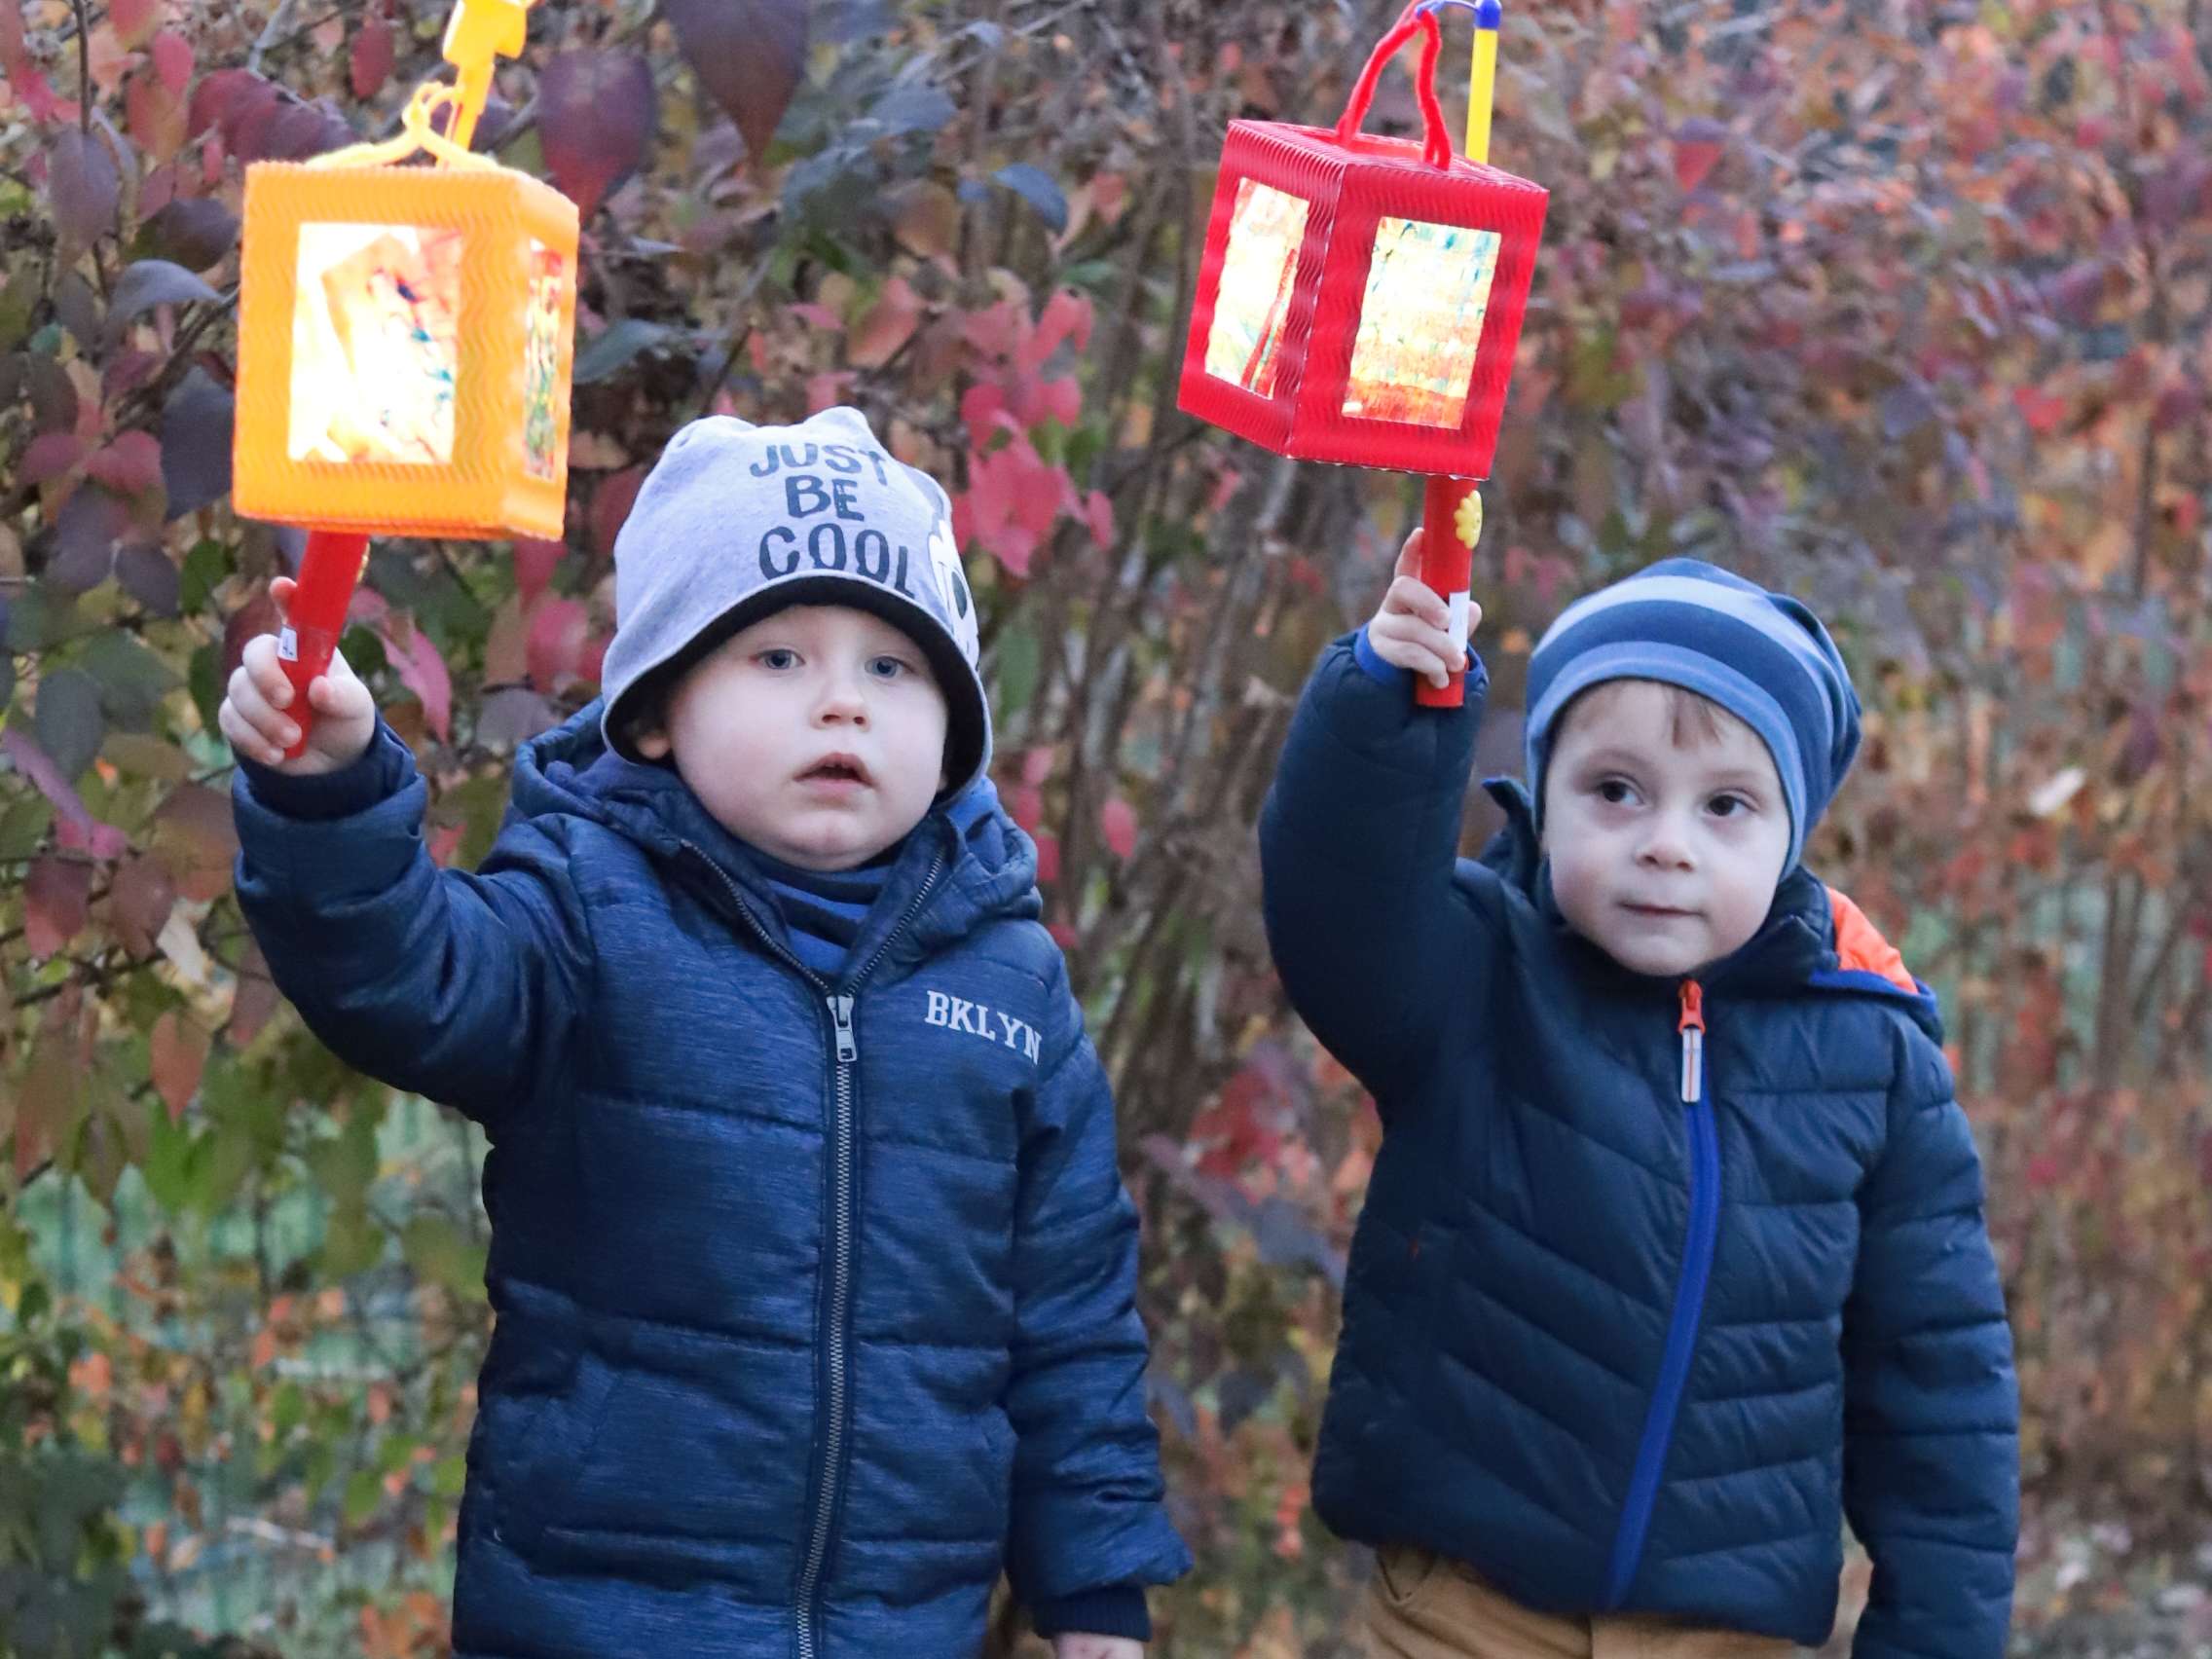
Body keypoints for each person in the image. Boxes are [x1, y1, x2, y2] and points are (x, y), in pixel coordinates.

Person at [222, 406, 1191, 1658]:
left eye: (893, 668)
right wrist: (332, 797)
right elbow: (407, 976)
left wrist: (1096, 1588)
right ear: (658, 713)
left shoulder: (1011, 987)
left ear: (953, 732)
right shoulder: (584, 916)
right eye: (779, 659)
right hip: (595, 1614)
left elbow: (1070, 1313)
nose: (842, 704)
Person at [1259, 537, 2017, 1657]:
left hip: (1723, 1634)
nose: (1665, 846)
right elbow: (1339, 905)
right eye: (1614, 792)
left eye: (1725, 807)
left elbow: (1937, 1390)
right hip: (1463, 1613)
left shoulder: (1871, 1052)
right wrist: (1388, 703)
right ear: (1546, 798)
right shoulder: (1477, 976)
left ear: (1791, 835)